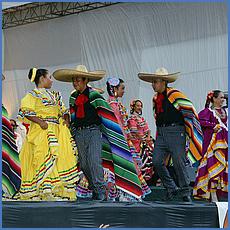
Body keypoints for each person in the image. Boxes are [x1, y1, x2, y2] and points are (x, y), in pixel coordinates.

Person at [53, 65, 143, 202]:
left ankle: (100, 190)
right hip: (79, 133)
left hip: (94, 132)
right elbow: (73, 116)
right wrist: (68, 125)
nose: (75, 83)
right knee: (83, 164)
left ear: (85, 80)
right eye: (74, 80)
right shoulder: (73, 98)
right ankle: (94, 188)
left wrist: (112, 133)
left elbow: (107, 115)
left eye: (78, 80)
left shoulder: (94, 95)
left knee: (94, 162)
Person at [138, 67, 203, 202]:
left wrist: (189, 130)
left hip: (176, 132)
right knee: (156, 161)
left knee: (179, 163)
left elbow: (189, 110)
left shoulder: (175, 94)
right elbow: (157, 118)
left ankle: (185, 192)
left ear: (163, 82)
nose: (153, 85)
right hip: (162, 133)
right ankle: (171, 188)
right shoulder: (155, 98)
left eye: (155, 82)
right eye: (152, 82)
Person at [17, 68, 79, 201]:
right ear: (42, 79)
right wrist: (40, 121)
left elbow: (63, 110)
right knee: (44, 157)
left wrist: (67, 119)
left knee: (58, 158)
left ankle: (57, 190)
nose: (51, 80)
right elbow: (26, 111)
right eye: (49, 77)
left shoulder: (56, 95)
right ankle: (45, 190)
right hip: (42, 131)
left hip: (57, 131)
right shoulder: (32, 95)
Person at [106, 77, 151, 197]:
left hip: (124, 139)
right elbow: (117, 126)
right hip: (118, 141)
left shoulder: (116, 104)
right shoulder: (112, 105)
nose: (124, 91)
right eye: (122, 88)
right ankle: (123, 194)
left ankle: (123, 193)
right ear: (114, 89)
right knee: (123, 167)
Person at [193, 90, 228, 201]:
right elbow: (200, 121)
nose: (223, 100)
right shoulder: (208, 111)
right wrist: (214, 126)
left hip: (224, 144)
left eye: (224, 98)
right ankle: (212, 194)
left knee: (222, 168)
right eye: (221, 97)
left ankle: (218, 193)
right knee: (212, 167)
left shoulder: (225, 111)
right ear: (214, 98)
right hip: (212, 145)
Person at [127, 99, 154, 183]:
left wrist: (148, 138)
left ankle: (146, 178)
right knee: (139, 158)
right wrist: (143, 138)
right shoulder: (132, 118)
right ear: (133, 107)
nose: (140, 107)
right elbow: (134, 131)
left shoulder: (141, 118)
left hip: (144, 140)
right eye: (138, 106)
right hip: (136, 142)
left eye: (141, 106)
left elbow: (147, 130)